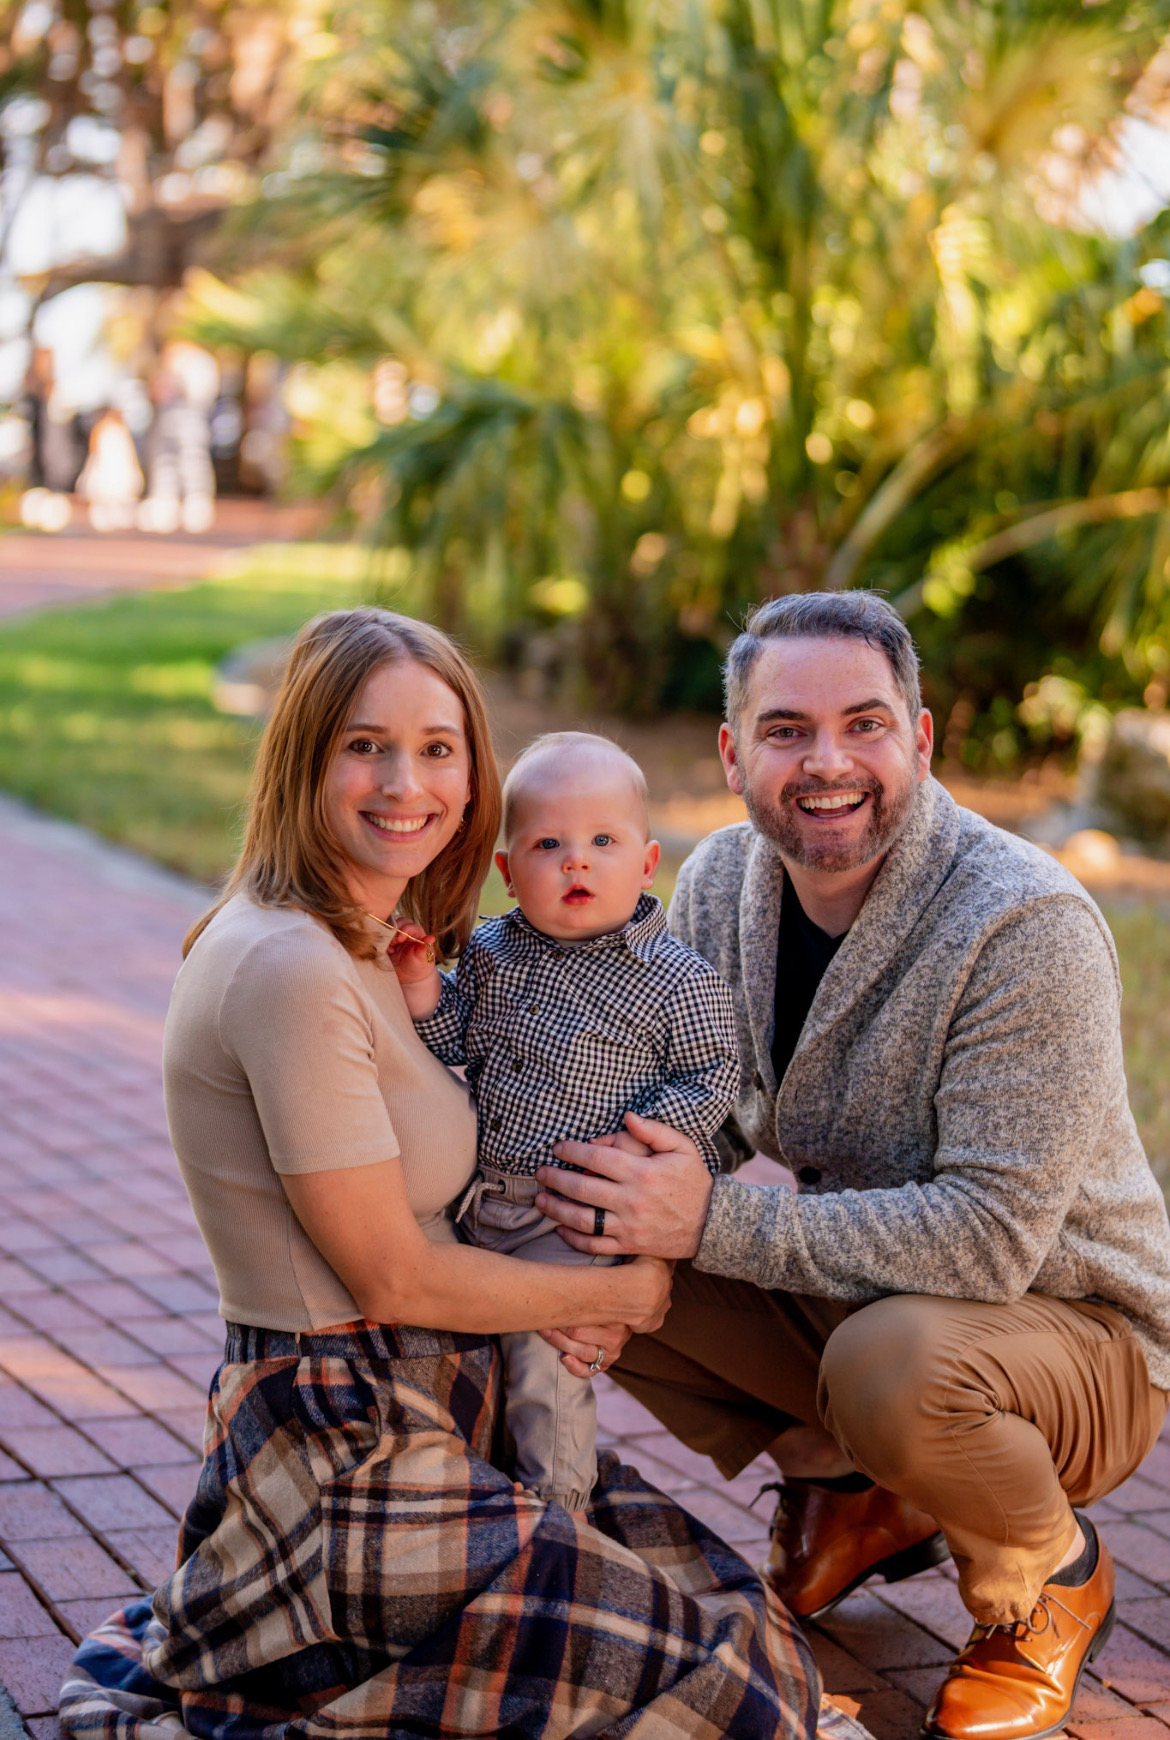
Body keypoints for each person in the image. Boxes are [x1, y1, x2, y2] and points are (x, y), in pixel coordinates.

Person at [58, 606, 845, 1740]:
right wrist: (618, 1293)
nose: (406, 782)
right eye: (365, 746)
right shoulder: (290, 967)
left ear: (476, 778)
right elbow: (395, 1280)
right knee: (728, 1696)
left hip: (446, 1408)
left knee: (730, 1617)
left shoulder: (376, 947)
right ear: (304, 758)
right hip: (339, 1450)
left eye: (438, 749)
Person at [533, 591, 1170, 1740]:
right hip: (889, 1297)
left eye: (864, 724)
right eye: (786, 730)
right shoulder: (723, 883)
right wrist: (582, 1244)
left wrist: (704, 1224)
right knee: (583, 1220)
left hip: (1077, 1333)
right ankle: (847, 1490)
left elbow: (989, 1240)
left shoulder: (1023, 924)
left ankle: (1045, 1579)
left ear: (919, 740)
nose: (827, 762)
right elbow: (701, 1118)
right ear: (734, 754)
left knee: (891, 1361)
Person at [392, 730, 739, 1513]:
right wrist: (420, 986)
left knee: (545, 1373)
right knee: (464, 1353)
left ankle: (559, 1517)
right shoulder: (490, 954)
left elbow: (716, 1073)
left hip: (572, 1216)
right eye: (549, 844)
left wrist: (645, 1143)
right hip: (480, 1200)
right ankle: (472, 1497)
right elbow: (455, 1038)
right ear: (510, 874)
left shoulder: (675, 981)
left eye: (602, 842)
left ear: (647, 864)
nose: (576, 861)